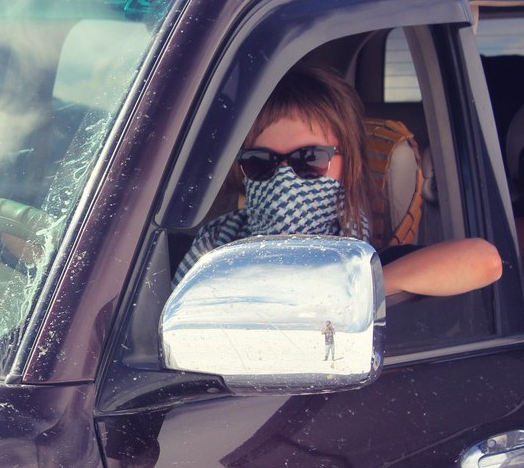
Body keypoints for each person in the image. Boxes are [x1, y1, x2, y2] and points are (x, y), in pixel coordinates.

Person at [174, 67, 502, 297]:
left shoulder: (362, 258)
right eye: (261, 162)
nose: (285, 180)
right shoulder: (217, 251)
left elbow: (484, 260)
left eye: (309, 159)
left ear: (350, 165)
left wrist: (350, 289)